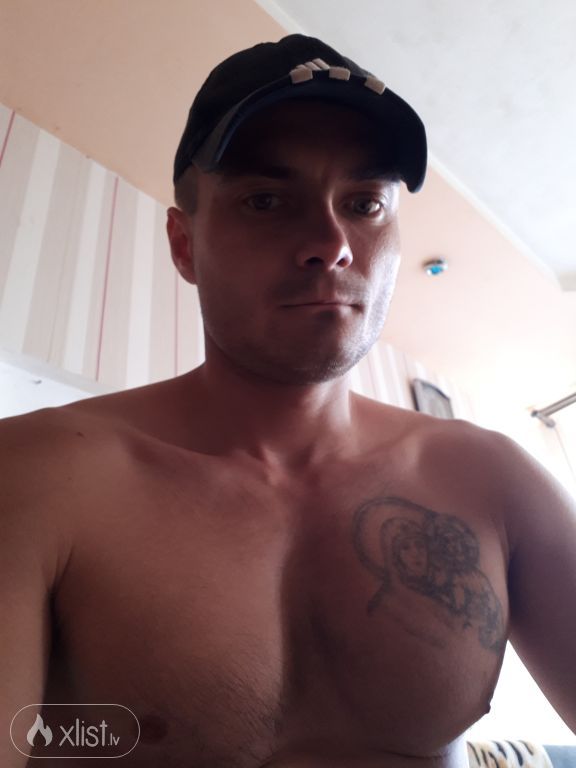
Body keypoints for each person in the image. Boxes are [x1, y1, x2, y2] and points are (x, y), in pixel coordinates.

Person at [1, 33, 575, 768]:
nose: (332, 243)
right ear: (183, 243)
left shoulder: (493, 478)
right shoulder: (35, 477)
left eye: (364, 203)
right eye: (266, 200)